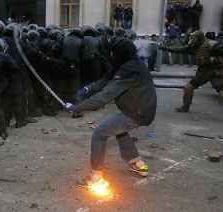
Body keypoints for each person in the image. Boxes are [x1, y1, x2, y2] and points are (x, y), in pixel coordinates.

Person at [63, 36, 157, 187]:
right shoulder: (128, 62)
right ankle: (138, 163)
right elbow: (106, 79)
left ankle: (96, 179)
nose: (109, 55)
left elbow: (104, 96)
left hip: (137, 113)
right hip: (139, 109)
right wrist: (88, 88)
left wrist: (77, 107)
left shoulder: (128, 70)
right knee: (117, 129)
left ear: (117, 53)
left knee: (100, 133)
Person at [159, 30, 223, 112]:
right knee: (188, 88)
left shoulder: (211, 44)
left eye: (194, 38)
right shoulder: (194, 47)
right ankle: (185, 107)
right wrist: (164, 48)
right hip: (202, 72)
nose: (192, 39)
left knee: (222, 94)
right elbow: (179, 49)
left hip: (215, 72)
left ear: (199, 38)